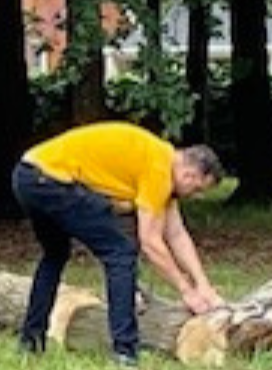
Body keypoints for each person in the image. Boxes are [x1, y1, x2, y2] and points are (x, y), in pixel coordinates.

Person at [13, 122, 224, 365]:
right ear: (190, 174)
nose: (193, 195)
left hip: (27, 175)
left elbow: (176, 234)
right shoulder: (159, 169)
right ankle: (125, 351)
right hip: (51, 182)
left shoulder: (160, 157)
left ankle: (31, 342)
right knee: (121, 253)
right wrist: (187, 291)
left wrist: (203, 286)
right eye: (196, 188)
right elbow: (151, 243)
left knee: (55, 254)